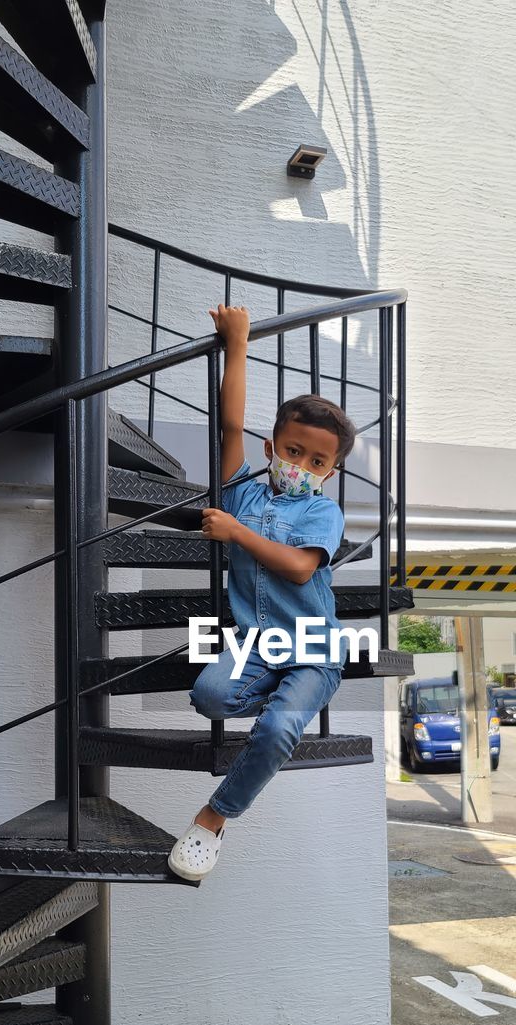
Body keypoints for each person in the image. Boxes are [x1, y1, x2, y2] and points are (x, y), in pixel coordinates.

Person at [168, 303, 356, 881]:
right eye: (294, 451)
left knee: (276, 730)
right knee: (210, 697)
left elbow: (300, 569)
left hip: (314, 650)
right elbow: (229, 426)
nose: (303, 464)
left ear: (330, 471)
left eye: (318, 460)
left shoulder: (325, 511)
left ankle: (212, 819)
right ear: (273, 447)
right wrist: (238, 344)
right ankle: (280, 712)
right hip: (258, 644)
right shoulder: (244, 492)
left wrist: (237, 534)